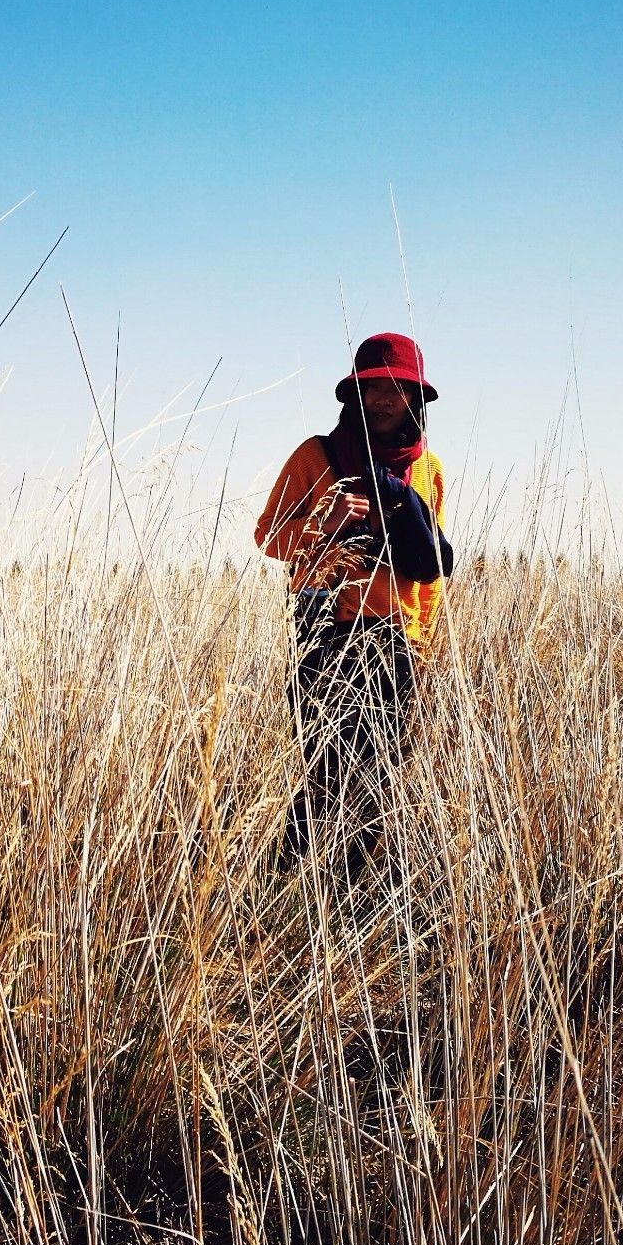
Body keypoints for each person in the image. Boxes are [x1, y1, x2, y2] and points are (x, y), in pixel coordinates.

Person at [254, 332, 451, 871]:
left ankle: (345, 899)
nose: (385, 399)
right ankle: (284, 886)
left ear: (414, 396)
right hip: (327, 631)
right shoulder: (316, 455)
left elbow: (429, 570)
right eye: (374, 388)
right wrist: (328, 523)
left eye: (397, 388)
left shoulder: (427, 469)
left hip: (396, 642)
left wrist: (422, 641)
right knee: (323, 771)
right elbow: (267, 535)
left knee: (378, 781)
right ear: (354, 395)